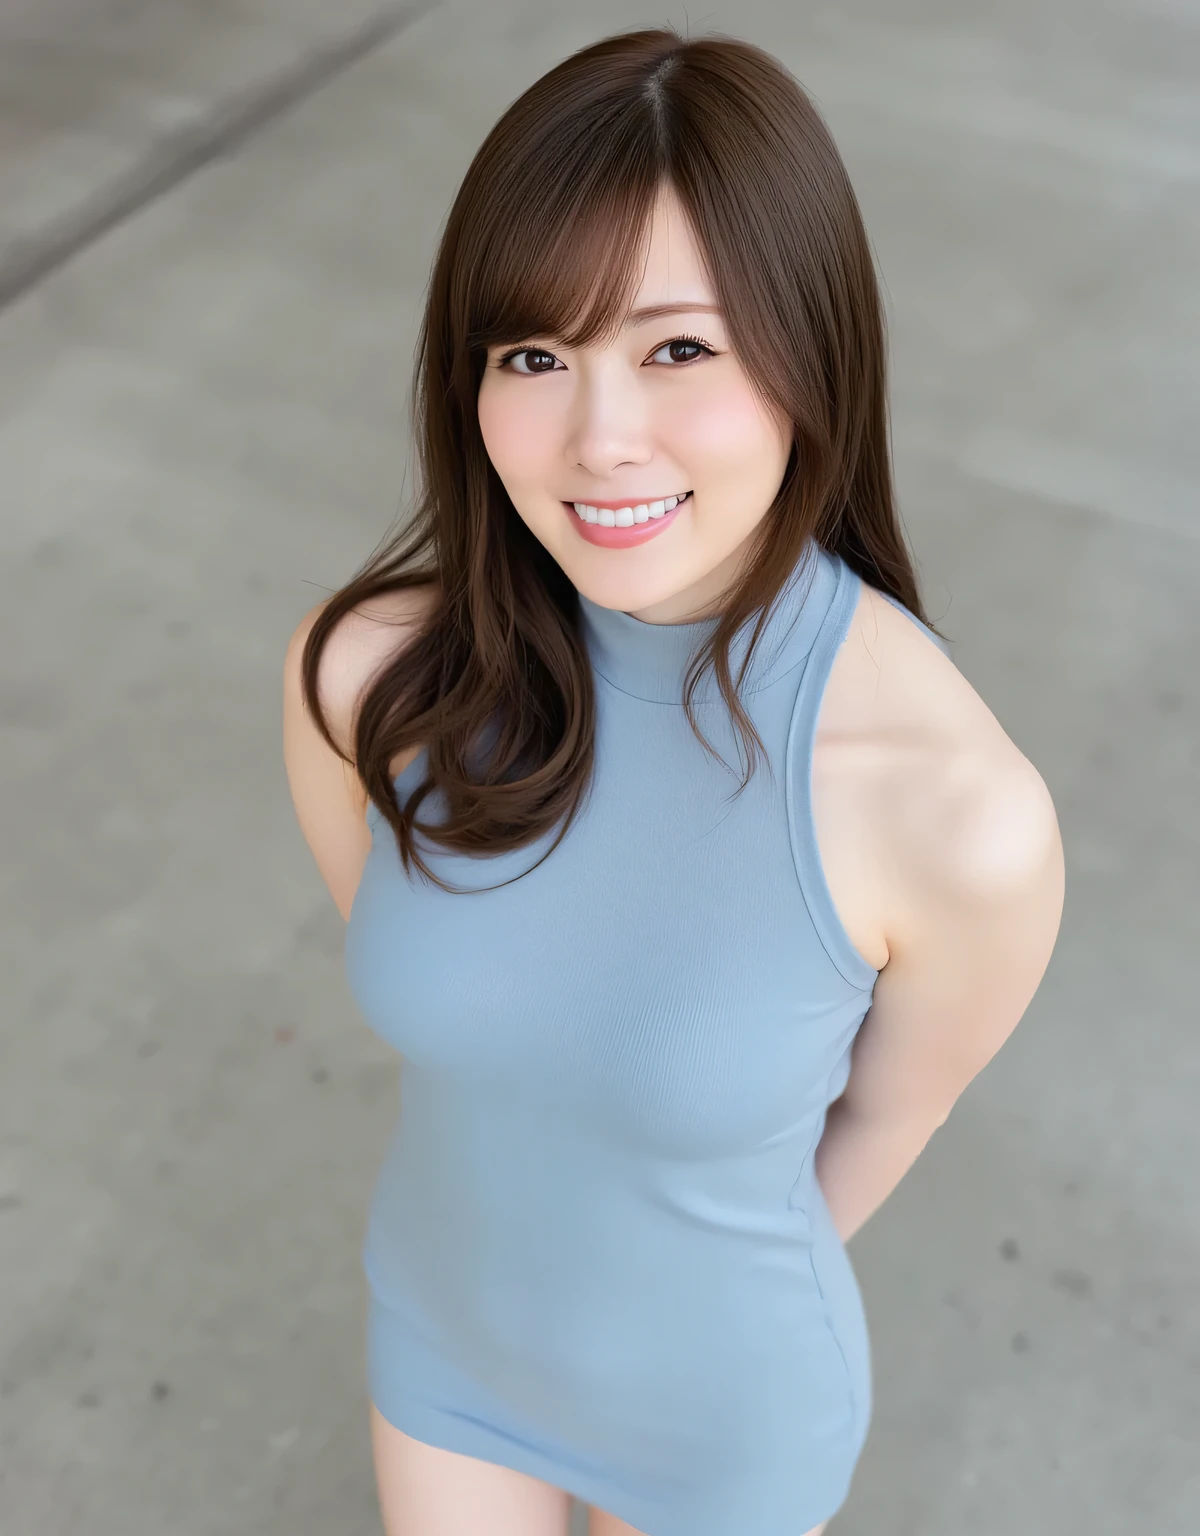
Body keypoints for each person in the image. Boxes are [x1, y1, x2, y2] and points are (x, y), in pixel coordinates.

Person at [282, 25, 1065, 1536]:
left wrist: (656, 1300)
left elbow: (892, 1119)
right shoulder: (367, 680)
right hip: (439, 1345)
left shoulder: (954, 814)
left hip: (717, 1418)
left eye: (677, 347)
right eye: (533, 354)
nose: (599, 438)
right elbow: (474, 1027)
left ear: (809, 354)